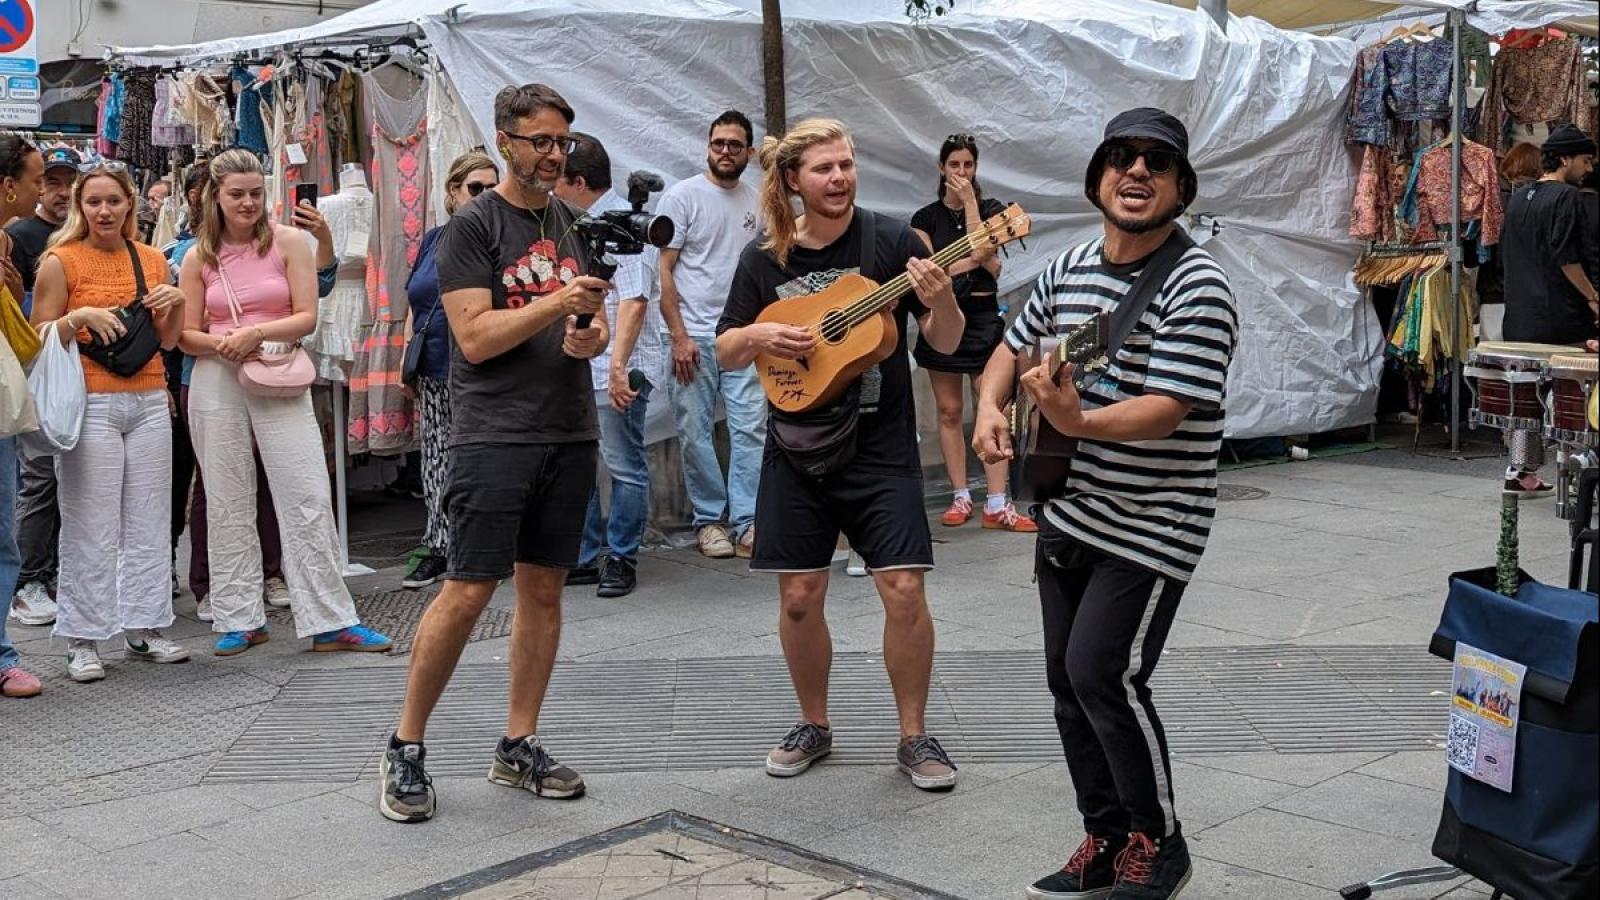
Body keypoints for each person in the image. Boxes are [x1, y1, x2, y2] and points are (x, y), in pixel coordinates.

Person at [972, 109, 1237, 900]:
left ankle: (1160, 844)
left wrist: (1076, 420)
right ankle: (1106, 836)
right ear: (1097, 179)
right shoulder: (1071, 265)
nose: (1137, 172)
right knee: (1065, 679)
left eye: (1158, 162)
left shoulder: (1199, 284)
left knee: (1104, 673)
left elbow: (1167, 408)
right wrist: (989, 408)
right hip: (1071, 511)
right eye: (1121, 158)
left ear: (1180, 188)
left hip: (1155, 520)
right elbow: (1011, 348)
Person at [379, 84, 608, 824]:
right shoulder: (471, 228)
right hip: (496, 432)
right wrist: (556, 306)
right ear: (506, 140)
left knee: (545, 591)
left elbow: (588, 328)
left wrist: (588, 337)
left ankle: (518, 743)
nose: (554, 154)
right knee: (469, 590)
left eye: (562, 142)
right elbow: (474, 338)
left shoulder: (570, 225)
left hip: (568, 426)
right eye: (541, 140)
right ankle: (406, 745)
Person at [716, 118, 967, 791]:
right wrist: (762, 333)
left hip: (879, 445)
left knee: (904, 587)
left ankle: (914, 735)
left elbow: (943, 341)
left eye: (846, 165)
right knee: (799, 594)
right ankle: (814, 723)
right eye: (824, 168)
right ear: (792, 180)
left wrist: (941, 302)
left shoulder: (891, 241)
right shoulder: (765, 259)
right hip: (795, 445)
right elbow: (726, 347)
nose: (839, 178)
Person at [177, 149, 392, 657]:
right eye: (237, 194)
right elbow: (186, 335)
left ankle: (330, 618)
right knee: (227, 497)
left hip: (276, 368)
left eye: (255, 192)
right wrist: (223, 345)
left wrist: (252, 333)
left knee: (307, 492)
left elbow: (306, 317)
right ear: (217, 196)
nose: (248, 202)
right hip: (216, 374)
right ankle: (239, 615)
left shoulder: (291, 241)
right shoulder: (197, 256)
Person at [31, 159, 192, 682]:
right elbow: (35, 338)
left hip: (147, 398)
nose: (104, 211)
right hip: (91, 401)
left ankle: (144, 628)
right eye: (94, 201)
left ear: (131, 205)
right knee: (89, 521)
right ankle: (82, 637)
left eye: (114, 201)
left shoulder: (151, 258)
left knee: (148, 518)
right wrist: (75, 319)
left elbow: (167, 341)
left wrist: (177, 302)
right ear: (80, 206)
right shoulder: (61, 260)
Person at [910, 133, 1034, 533]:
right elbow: (933, 270)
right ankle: (960, 495)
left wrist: (969, 206)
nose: (962, 172)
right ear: (941, 168)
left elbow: (984, 252)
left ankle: (998, 503)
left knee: (991, 405)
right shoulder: (924, 218)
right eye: (955, 165)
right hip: (946, 315)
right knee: (949, 411)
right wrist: (977, 262)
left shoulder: (990, 209)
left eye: (968, 165)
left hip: (982, 317)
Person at [658, 111, 765, 559]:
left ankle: (748, 521)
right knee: (696, 432)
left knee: (752, 428)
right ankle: (709, 522)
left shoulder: (757, 201)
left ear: (749, 152)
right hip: (693, 336)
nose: (725, 151)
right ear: (707, 145)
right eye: (718, 143)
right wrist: (679, 336)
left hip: (742, 335)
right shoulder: (682, 196)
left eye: (734, 145)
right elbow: (662, 271)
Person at [555, 132, 658, 598]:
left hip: (617, 366)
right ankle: (584, 553)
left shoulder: (620, 223)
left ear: (578, 181)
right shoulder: (577, 223)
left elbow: (634, 301)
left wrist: (617, 368)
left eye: (559, 179)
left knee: (623, 464)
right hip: (584, 365)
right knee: (581, 461)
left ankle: (621, 557)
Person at [401, 150, 500, 590]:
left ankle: (477, 547)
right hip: (433, 365)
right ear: (453, 192)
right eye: (476, 188)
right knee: (436, 460)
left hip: (482, 366)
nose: (484, 196)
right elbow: (415, 297)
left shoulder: (501, 241)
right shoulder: (434, 240)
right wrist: (408, 359)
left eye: (492, 188)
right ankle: (440, 545)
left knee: (474, 460)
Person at [1498, 125, 1598, 498]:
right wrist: (1593, 297)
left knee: (1526, 397)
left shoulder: (1520, 198)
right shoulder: (1566, 198)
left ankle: (1519, 469)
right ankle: (1575, 475)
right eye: (1585, 160)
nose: (1588, 168)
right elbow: (1566, 257)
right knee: (1572, 392)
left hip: (1521, 314)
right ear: (1567, 159)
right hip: (1561, 316)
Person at [7, 145, 76, 629]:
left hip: (22, 379)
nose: (52, 190)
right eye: (44, 180)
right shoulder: (19, 235)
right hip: (29, 374)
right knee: (37, 483)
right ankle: (31, 581)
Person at [0, 130, 45, 698]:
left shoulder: (6, 246)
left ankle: (2, 655)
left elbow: (19, 336)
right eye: (35, 178)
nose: (41, 189)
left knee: (1, 534)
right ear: (8, 186)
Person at [1473, 142, 1540, 343]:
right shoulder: (1540, 201)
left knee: (1494, 362)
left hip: (1495, 291)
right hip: (1528, 294)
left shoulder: (1495, 201)